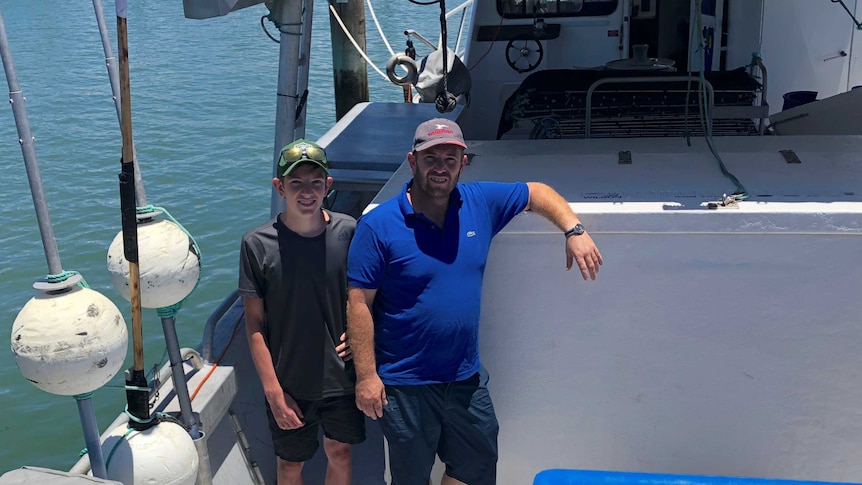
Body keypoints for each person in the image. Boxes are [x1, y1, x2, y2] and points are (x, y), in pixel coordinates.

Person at [345, 119, 603, 485]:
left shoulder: (479, 202)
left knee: (478, 467)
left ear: (463, 163)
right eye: (430, 157)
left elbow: (535, 192)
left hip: (465, 377)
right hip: (405, 384)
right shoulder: (378, 225)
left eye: (450, 158)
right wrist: (366, 376)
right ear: (412, 161)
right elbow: (359, 304)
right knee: (410, 477)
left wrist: (573, 230)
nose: (440, 167)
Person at [239, 139, 365, 485]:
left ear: (328, 185)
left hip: (341, 377)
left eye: (315, 182)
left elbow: (367, 298)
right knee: (290, 465)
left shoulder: (350, 231)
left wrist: (362, 341)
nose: (306, 192)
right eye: (296, 183)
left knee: (339, 451)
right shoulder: (256, 243)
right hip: (289, 380)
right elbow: (255, 323)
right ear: (279, 187)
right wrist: (273, 391)